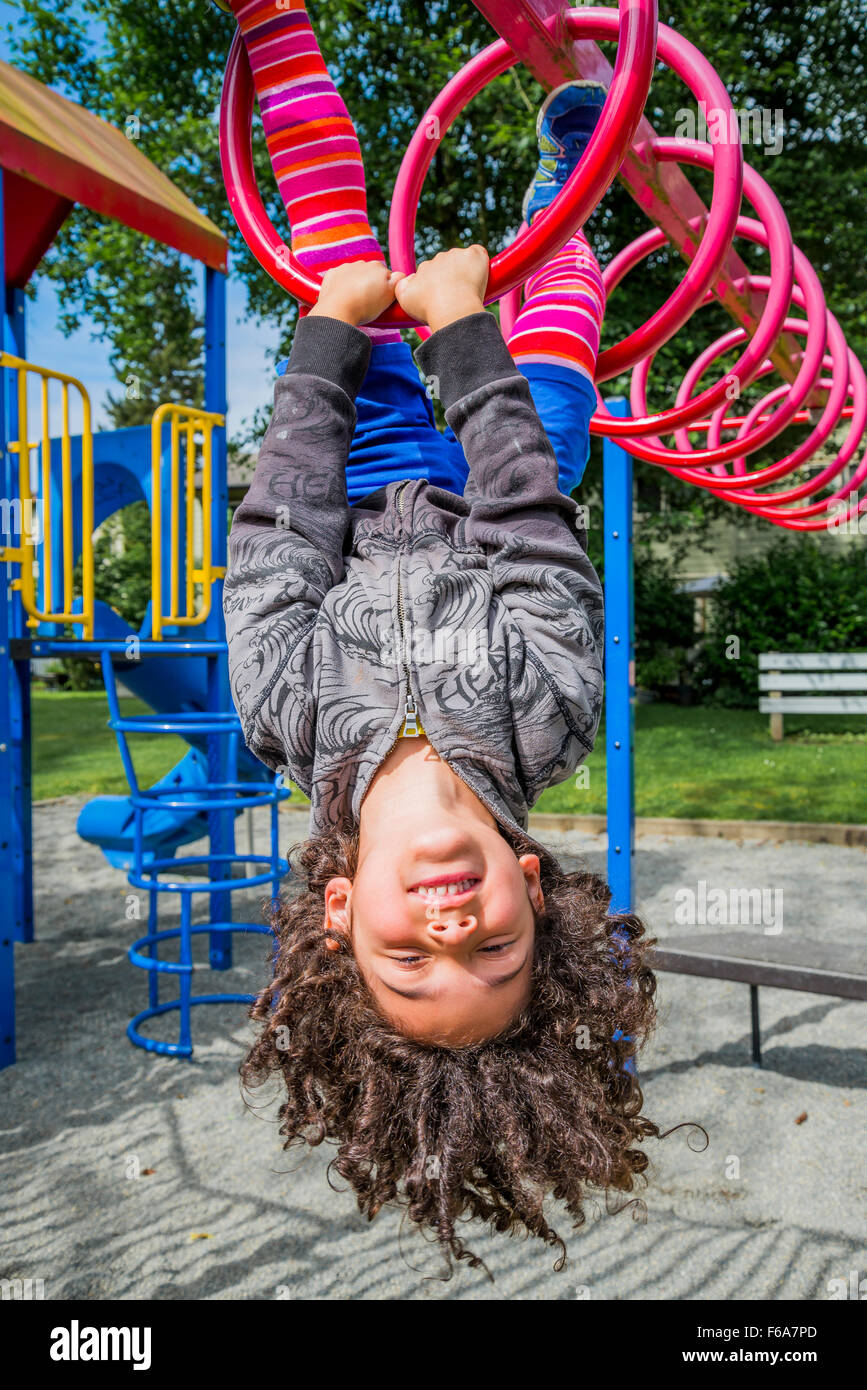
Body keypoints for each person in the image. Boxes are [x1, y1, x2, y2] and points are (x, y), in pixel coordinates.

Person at [221, 0, 660, 1272]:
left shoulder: (287, 717)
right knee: (557, 325)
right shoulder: (550, 717)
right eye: (494, 946)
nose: (449, 926)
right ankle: (566, 169)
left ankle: (273, 23)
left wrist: (326, 350)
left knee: (336, 246)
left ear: (342, 909)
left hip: (352, 469)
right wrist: (468, 338)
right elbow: (529, 524)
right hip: (503, 452)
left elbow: (274, 548)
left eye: (407, 958)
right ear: (531, 890)